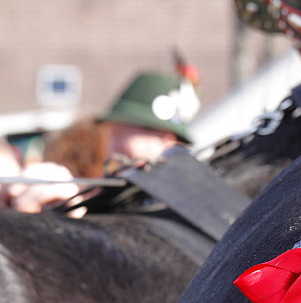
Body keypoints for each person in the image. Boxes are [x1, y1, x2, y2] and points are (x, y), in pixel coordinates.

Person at [7, 70, 200, 213]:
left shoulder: (186, 207)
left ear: (167, 139)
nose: (111, 147)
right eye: (112, 135)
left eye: (121, 135)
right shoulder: (115, 192)